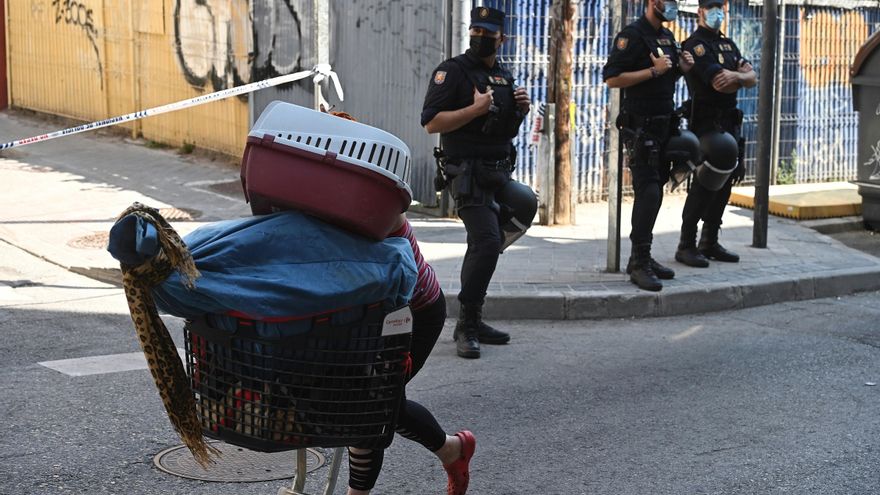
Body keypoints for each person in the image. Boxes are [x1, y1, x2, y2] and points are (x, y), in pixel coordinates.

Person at [326, 111, 476, 495]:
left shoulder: (376, 199)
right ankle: (452, 449)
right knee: (377, 404)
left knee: (370, 407)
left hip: (414, 314)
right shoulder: (318, 197)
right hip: (365, 317)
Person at [422, 6, 531, 358]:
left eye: (488, 33)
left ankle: (475, 312)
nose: (480, 38)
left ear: (502, 38)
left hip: (497, 171)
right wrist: (474, 110)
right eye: (476, 31)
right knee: (485, 241)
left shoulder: (503, 76)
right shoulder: (452, 72)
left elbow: (504, 129)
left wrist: (519, 111)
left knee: (524, 205)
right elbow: (432, 123)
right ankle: (466, 325)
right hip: (466, 173)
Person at [603, 0, 694, 292]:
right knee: (649, 190)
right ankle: (639, 262)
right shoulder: (631, 36)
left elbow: (667, 74)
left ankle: (643, 257)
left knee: (655, 191)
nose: (673, 5)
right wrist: (651, 71)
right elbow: (612, 78)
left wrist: (680, 68)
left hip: (664, 124)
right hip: (641, 127)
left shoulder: (666, 36)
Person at [675, 0, 757, 267]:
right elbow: (719, 83)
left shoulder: (727, 44)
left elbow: (752, 77)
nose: (718, 13)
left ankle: (709, 241)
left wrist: (740, 77)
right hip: (706, 124)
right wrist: (740, 77)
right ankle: (686, 244)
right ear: (700, 12)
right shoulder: (695, 45)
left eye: (721, 7)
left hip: (729, 124)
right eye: (712, 8)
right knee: (703, 184)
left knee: (725, 183)